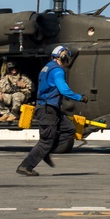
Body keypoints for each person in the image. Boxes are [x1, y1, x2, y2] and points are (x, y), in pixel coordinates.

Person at [16, 45, 85, 177]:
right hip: (48, 109)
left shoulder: (47, 67)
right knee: (46, 141)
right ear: (63, 57)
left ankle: (46, 151)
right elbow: (64, 90)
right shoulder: (57, 71)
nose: (67, 63)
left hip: (52, 108)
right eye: (67, 59)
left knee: (69, 129)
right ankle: (26, 166)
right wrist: (80, 98)